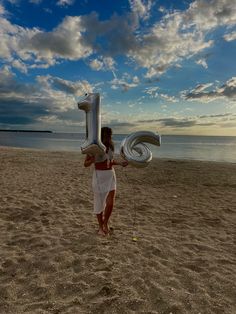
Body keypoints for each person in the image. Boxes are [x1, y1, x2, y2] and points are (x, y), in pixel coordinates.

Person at [84, 127, 128, 236]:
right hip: (99, 176)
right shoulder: (94, 147)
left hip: (110, 175)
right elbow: (85, 164)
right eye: (107, 135)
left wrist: (120, 163)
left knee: (110, 203)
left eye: (110, 135)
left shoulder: (111, 147)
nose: (109, 137)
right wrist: (93, 160)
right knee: (99, 202)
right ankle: (100, 227)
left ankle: (105, 224)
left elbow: (110, 161)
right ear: (101, 135)